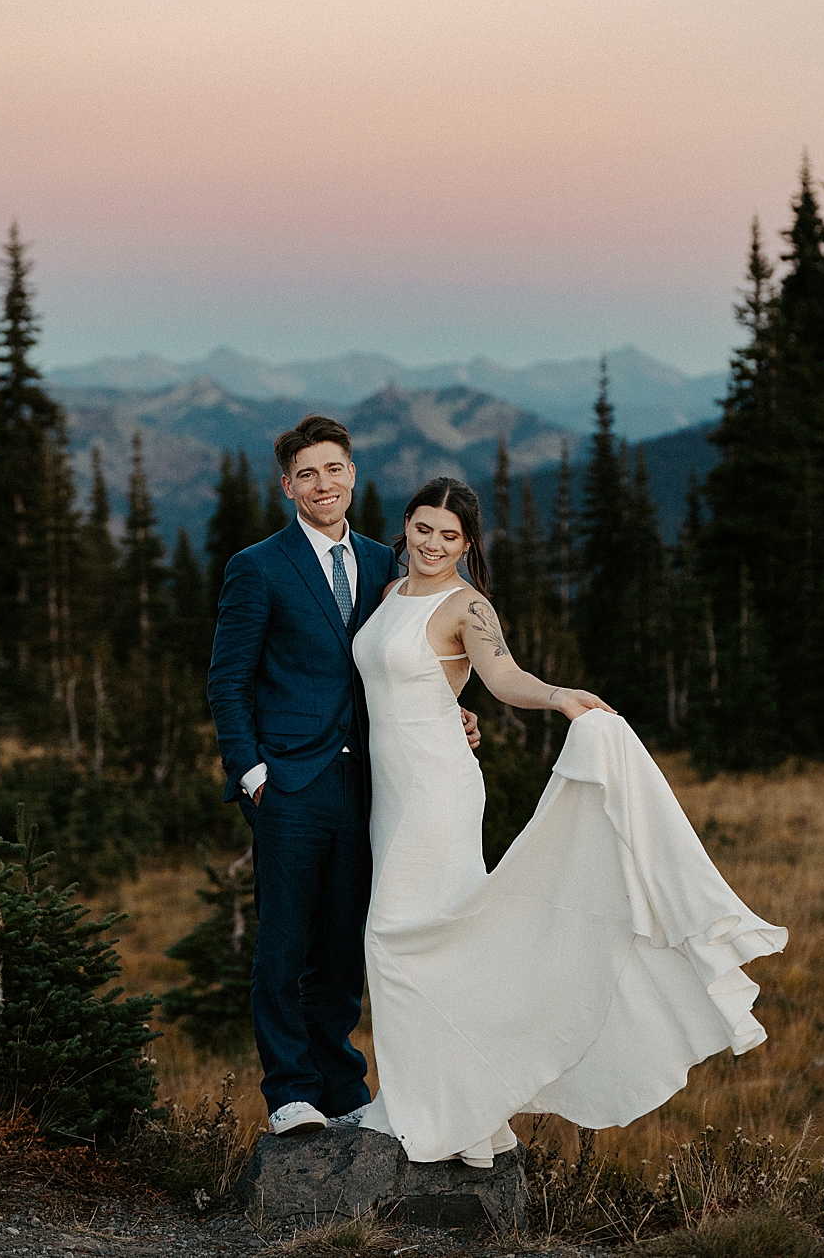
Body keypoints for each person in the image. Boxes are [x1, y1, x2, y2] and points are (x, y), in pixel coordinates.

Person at [353, 477, 787, 1168]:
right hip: (391, 791)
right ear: (405, 526)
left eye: (450, 535)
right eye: (424, 528)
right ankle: (460, 1110)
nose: (433, 544)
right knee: (427, 947)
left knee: (400, 939)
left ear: (468, 544)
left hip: (438, 790)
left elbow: (501, 677)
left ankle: (440, 1111)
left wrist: (557, 697)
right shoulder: (386, 596)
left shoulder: (469, 605)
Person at [208, 418, 480, 1136]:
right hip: (289, 785)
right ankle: (290, 1092)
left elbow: (407, 662)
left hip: (369, 785)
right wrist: (252, 774)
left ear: (353, 474)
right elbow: (227, 682)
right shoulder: (257, 566)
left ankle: (341, 1084)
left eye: (334, 470)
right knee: (285, 942)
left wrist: (453, 713)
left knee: (343, 943)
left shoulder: (385, 565)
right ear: (287, 486)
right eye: (307, 474)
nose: (323, 485)